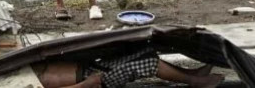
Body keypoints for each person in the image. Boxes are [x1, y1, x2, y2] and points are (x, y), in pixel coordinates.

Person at [32, 47, 225, 88]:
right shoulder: (21, 84)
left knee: (144, 53)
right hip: (92, 80)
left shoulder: (17, 68)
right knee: (146, 63)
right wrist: (89, 83)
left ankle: (191, 73)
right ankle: (195, 81)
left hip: (90, 67)